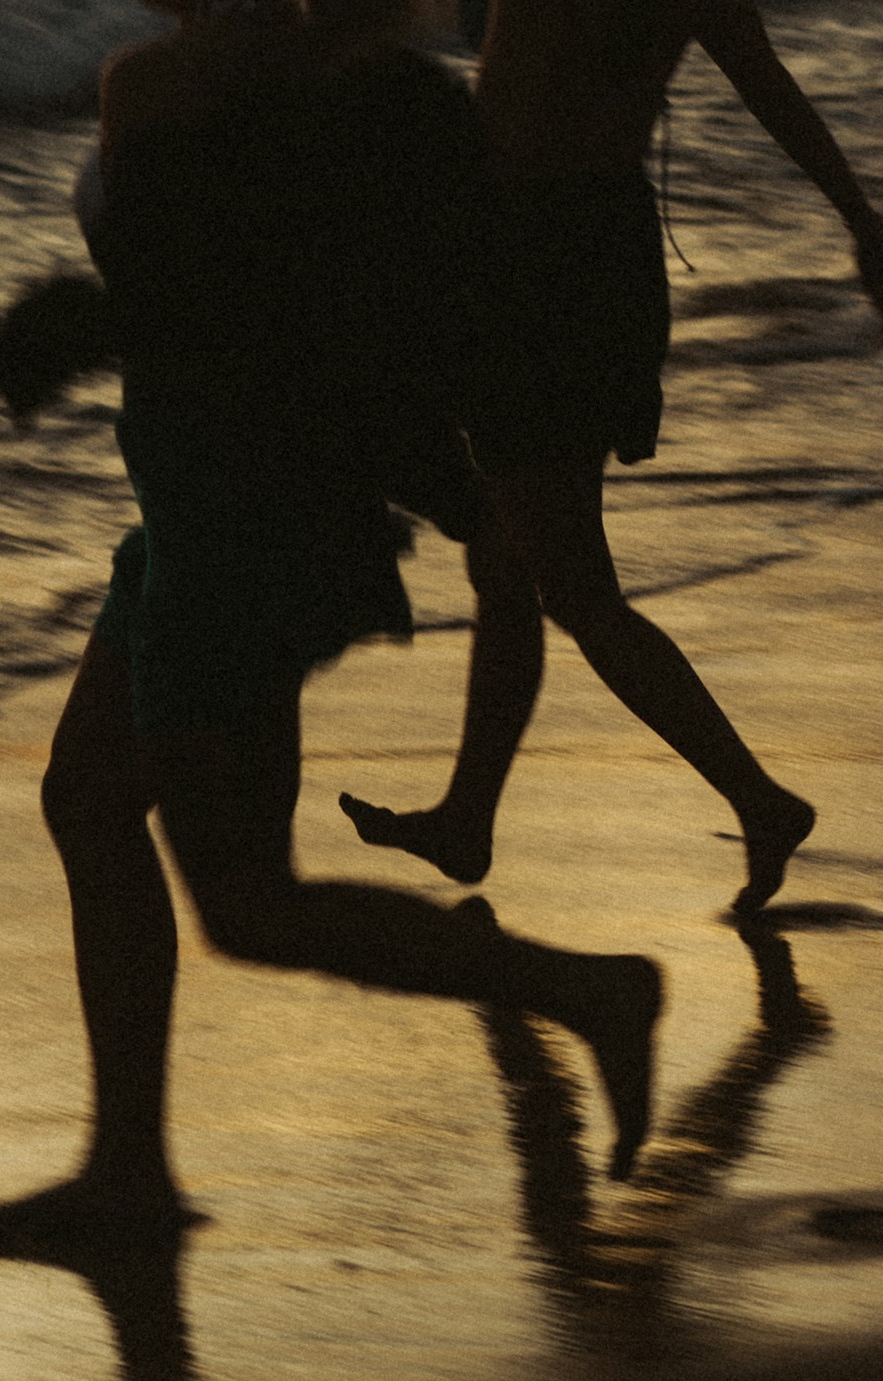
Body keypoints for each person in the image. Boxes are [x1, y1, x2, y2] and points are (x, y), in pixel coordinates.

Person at [0, 0, 664, 1262]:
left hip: (236, 531)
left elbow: (234, 320)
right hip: (229, 518)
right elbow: (354, 322)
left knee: (248, 905)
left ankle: (584, 988)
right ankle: (128, 1169)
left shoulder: (176, 88)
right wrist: (453, 493)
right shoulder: (382, 94)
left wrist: (75, 323)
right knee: (86, 799)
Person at [340, 0, 883, 915]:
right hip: (548, 248)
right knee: (505, 560)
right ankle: (468, 817)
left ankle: (762, 800)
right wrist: (860, 218)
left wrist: (863, 219)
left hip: (553, 259)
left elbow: (758, 80)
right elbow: (757, 77)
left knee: (573, 585)